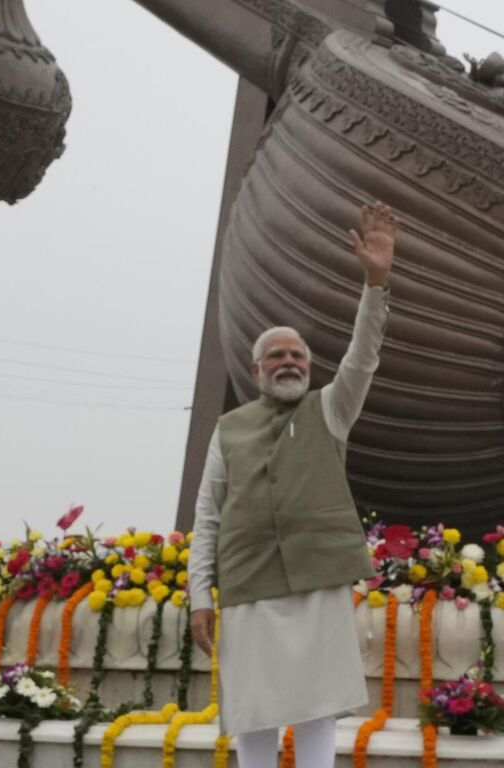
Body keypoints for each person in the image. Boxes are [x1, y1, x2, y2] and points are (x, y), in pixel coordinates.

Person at [188, 200, 398, 768]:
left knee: (316, 711)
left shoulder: (331, 408)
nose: (289, 362)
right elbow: (208, 515)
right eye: (276, 355)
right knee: (253, 712)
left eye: (298, 355)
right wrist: (197, 597)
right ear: (256, 371)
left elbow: (362, 357)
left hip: (317, 581)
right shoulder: (228, 428)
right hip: (248, 583)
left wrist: (375, 282)